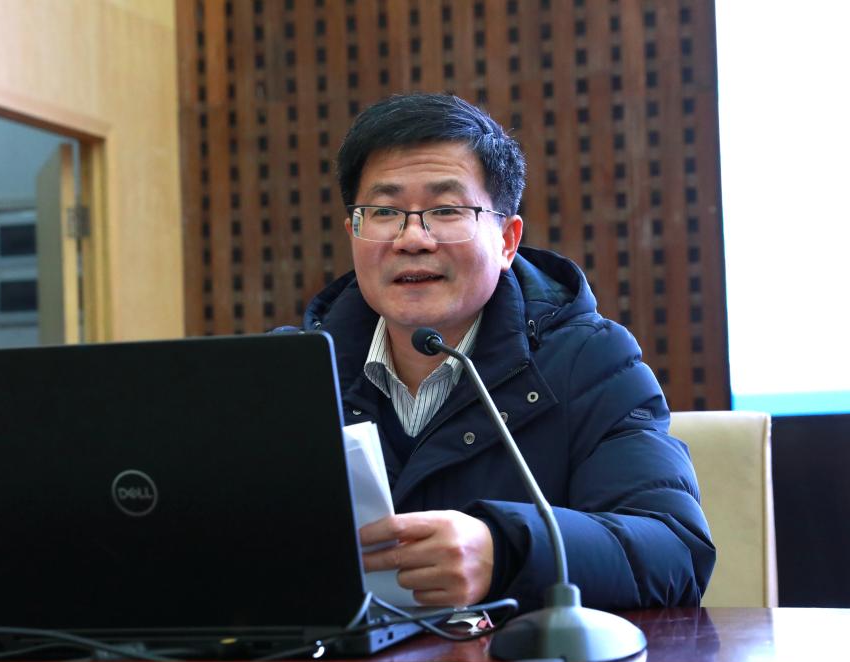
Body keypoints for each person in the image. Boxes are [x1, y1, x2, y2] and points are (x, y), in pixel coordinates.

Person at [279, 93, 714, 612]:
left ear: (507, 240)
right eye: (384, 211)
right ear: (354, 229)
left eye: (446, 210)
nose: (412, 238)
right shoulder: (290, 374)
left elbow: (674, 552)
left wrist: (505, 550)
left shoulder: (590, 361)